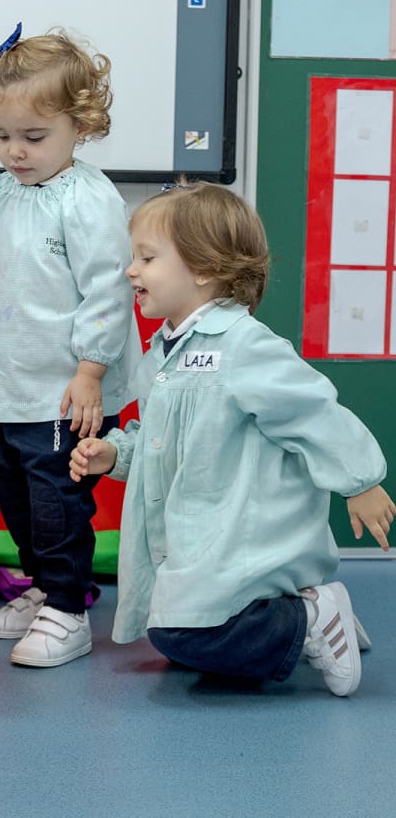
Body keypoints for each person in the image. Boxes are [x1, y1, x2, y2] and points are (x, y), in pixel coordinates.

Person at [70, 182, 393, 696]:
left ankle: (309, 618)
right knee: (168, 633)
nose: (131, 271)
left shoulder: (243, 345)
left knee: (185, 635)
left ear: (204, 270)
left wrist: (360, 481)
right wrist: (115, 454)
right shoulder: (164, 353)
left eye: (148, 258)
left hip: (245, 535)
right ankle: (290, 615)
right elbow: (158, 438)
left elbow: (313, 410)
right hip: (199, 535)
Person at [0, 25, 138, 668]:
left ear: (81, 126)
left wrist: (91, 371)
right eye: (2, 135)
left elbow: (108, 290)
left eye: (33, 137)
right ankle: (46, 585)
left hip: (67, 390)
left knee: (58, 500)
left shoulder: (89, 200)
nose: (14, 151)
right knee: (16, 494)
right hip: (8, 386)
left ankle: (69, 610)